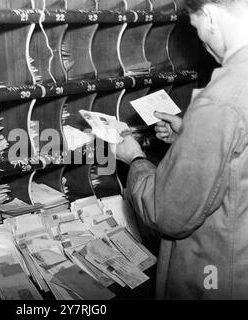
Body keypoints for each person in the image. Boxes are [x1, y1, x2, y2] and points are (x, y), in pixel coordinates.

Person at [111, 0, 248, 299]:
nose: (206, 45)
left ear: (209, 16)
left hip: (215, 274)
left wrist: (134, 159)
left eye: (198, 29)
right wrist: (190, 136)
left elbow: (167, 213)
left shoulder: (221, 98)